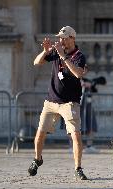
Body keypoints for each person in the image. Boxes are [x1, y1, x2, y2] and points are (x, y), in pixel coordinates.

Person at [28, 26, 88, 180]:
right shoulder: (55, 52)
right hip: (51, 101)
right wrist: (46, 51)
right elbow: (36, 63)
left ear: (72, 38)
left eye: (64, 37)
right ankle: (37, 159)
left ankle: (78, 168)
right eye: (60, 37)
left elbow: (78, 73)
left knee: (75, 135)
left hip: (70, 103)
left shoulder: (79, 56)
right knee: (40, 133)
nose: (61, 40)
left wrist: (63, 56)